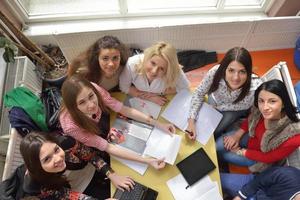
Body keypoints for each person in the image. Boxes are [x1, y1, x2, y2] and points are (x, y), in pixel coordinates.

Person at [59, 75, 175, 170]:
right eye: (82, 102)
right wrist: (147, 161)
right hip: (91, 133)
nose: (91, 104)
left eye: (91, 96)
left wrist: (159, 124)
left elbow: (123, 109)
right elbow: (107, 147)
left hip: (105, 121)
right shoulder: (70, 125)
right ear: (74, 107)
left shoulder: (93, 88)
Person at [216, 79, 300, 169]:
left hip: (257, 158)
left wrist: (240, 151)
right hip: (250, 139)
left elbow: (268, 157)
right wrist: (237, 135)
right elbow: (251, 120)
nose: (265, 107)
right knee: (217, 147)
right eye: (261, 101)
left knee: (222, 156)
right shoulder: (258, 110)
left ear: (283, 103)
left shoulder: (292, 135)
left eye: (272, 101)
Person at [18, 131, 123, 199]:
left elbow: (91, 156)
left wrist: (112, 174)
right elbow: (65, 195)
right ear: (37, 166)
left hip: (93, 170)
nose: (58, 158)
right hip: (81, 189)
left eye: (56, 150)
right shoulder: (35, 185)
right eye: (47, 159)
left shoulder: (66, 142)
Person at [186, 47, 262, 140]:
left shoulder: (256, 88)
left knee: (211, 135)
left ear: (249, 72)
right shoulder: (215, 72)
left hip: (234, 111)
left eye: (242, 71)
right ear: (224, 69)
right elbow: (199, 93)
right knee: (201, 128)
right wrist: (191, 121)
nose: (236, 78)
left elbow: (256, 113)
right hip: (215, 101)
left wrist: (238, 135)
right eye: (231, 70)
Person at [119, 41, 190, 106]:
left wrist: (160, 93)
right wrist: (151, 98)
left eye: (162, 68)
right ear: (147, 58)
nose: (154, 71)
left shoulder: (175, 70)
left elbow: (184, 87)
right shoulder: (132, 63)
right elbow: (123, 86)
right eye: (153, 63)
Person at [223, 166, 300, 200]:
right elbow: (260, 180)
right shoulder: (289, 175)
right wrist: (240, 196)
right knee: (218, 180)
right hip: (255, 186)